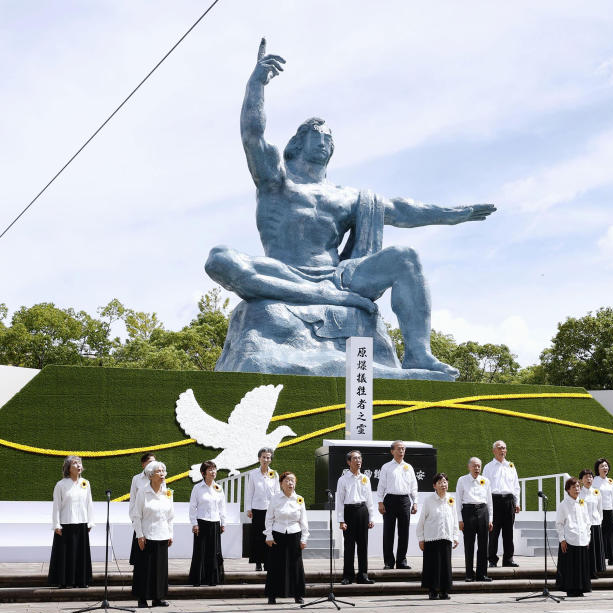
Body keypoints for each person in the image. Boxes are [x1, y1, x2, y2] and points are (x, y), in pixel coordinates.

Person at [205, 39, 496, 379]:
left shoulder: (346, 196)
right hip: (282, 270)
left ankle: (419, 354)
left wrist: (452, 215)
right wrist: (256, 84)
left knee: (404, 257)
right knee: (219, 258)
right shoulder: (276, 180)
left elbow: (403, 210)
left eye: (331, 136)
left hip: (339, 278)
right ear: (298, 142)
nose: (326, 139)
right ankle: (315, 294)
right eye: (318, 133)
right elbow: (252, 135)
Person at [132, 460, 174, 608]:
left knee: (160, 569)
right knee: (145, 568)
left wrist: (170, 534)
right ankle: (142, 598)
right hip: (147, 535)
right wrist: (140, 535)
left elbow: (170, 516)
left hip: (162, 535)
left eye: (163, 471)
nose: (162, 474)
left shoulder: (168, 493)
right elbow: (136, 515)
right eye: (158, 471)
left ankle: (158, 597)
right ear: (150, 475)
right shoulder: (143, 492)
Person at [48, 456, 94, 588]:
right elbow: (56, 506)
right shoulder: (61, 485)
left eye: (79, 463)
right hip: (65, 524)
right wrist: (56, 524)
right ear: (68, 468)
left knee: (80, 553)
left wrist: (90, 522)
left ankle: (81, 580)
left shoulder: (85, 483)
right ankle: (64, 581)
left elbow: (89, 503)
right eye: (75, 463)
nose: (79, 465)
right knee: (66, 554)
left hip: (82, 523)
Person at [264, 471, 309, 604]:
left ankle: (298, 595)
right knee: (275, 565)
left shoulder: (299, 499)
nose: (290, 483)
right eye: (287, 480)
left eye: (292, 481)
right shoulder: (275, 498)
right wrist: (269, 535)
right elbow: (269, 518)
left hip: (295, 534)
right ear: (281, 484)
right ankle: (272, 595)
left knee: (296, 566)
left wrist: (304, 538)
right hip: (278, 534)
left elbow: (303, 520)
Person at [376, 440, 418, 569]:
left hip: (405, 500)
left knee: (404, 532)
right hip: (390, 500)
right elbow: (381, 486)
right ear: (392, 451)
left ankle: (401, 561)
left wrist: (415, 502)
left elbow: (413, 486)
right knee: (388, 532)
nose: (401, 451)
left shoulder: (409, 467)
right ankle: (389, 562)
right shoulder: (386, 467)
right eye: (399, 449)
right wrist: (380, 502)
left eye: (403, 449)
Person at [335, 450, 375, 585]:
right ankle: (348, 576)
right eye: (355, 459)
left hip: (363, 511)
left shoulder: (365, 478)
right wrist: (341, 520)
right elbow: (339, 501)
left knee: (363, 545)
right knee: (349, 545)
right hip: (349, 512)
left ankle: (363, 575)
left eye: (360, 458)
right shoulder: (343, 479)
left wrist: (371, 518)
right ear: (348, 462)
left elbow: (369, 499)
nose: (358, 461)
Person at [416, 473, 459, 600]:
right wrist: (421, 538)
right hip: (431, 538)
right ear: (434, 486)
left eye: (445, 482)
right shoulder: (429, 500)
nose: (443, 485)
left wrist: (455, 536)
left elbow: (454, 519)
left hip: (446, 537)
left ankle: (444, 591)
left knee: (446, 565)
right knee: (431, 565)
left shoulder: (451, 499)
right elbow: (422, 520)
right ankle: (432, 590)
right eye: (440, 482)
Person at [188, 460, 227, 587]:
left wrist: (223, 523)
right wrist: (194, 523)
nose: (213, 472)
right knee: (200, 551)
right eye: (210, 470)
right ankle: (198, 579)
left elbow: (222, 507)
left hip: (215, 522)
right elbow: (192, 507)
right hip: (201, 522)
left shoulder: (218, 488)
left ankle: (212, 579)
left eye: (214, 469)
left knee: (214, 551)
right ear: (203, 473)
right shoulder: (197, 488)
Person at [455, 457, 493, 582]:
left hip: (483, 511)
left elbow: (489, 502)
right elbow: (458, 501)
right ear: (469, 467)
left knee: (483, 545)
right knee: (469, 544)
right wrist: (460, 520)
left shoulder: (485, 481)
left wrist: (490, 519)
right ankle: (469, 574)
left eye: (479, 466)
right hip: (468, 512)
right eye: (474, 466)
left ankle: (482, 574)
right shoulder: (462, 480)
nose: (477, 468)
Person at [483, 440, 520, 568]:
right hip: (494, 501)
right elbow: (485, 488)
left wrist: (517, 502)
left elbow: (516, 486)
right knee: (493, 532)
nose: (502, 450)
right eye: (499, 448)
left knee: (509, 533)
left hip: (509, 501)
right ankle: (492, 560)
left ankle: (508, 559)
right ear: (494, 451)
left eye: (504, 448)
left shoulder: (511, 466)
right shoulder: (488, 467)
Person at [555, 477, 593, 597]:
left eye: (578, 486)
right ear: (568, 490)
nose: (577, 489)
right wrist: (562, 539)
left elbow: (587, 522)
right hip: (570, 539)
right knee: (570, 567)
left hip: (582, 539)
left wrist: (588, 537)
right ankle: (571, 589)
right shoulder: (563, 504)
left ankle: (581, 588)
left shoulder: (582, 503)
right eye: (573, 487)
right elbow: (559, 523)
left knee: (581, 566)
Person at [245, 447, 279, 570]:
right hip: (257, 509)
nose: (266, 459)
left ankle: (268, 561)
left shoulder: (274, 474)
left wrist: (278, 509)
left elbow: (277, 492)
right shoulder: (253, 474)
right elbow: (249, 493)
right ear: (259, 458)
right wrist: (248, 509)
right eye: (263, 457)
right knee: (258, 536)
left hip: (270, 510)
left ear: (271, 459)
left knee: (269, 535)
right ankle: (258, 562)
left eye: (268, 457)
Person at [128, 452, 158, 566]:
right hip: (140, 515)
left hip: (153, 516)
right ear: (143, 464)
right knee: (139, 540)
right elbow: (133, 498)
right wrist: (132, 516)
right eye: (150, 462)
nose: (153, 464)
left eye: (155, 462)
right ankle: (138, 565)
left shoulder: (159, 478)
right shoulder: (137, 479)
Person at [591, 458, 613, 566]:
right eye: (602, 466)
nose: (605, 468)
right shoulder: (594, 480)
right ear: (597, 469)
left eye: (606, 466)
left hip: (608, 511)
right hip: (598, 511)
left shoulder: (610, 481)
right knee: (600, 535)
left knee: (609, 535)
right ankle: (600, 558)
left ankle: (611, 558)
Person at [578, 469, 605, 577]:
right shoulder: (579, 494)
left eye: (590, 477)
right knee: (587, 549)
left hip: (595, 524)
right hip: (584, 525)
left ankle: (595, 570)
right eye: (586, 477)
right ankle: (586, 571)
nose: (589, 479)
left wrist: (600, 521)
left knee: (595, 549)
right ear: (581, 480)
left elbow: (600, 509)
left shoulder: (596, 492)